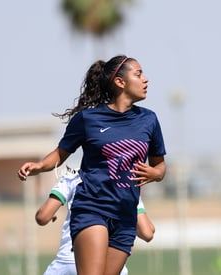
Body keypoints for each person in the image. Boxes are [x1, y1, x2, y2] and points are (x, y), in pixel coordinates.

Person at [18, 54, 166, 275]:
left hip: (126, 216)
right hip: (92, 209)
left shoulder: (149, 120)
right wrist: (40, 166)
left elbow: (160, 166)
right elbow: (60, 153)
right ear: (120, 82)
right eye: (139, 73)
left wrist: (155, 173)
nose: (146, 79)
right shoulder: (88, 119)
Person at [35, 167, 155, 275]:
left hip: (68, 261)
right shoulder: (126, 185)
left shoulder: (73, 176)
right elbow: (147, 233)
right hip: (110, 265)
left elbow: (43, 217)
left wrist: (51, 214)